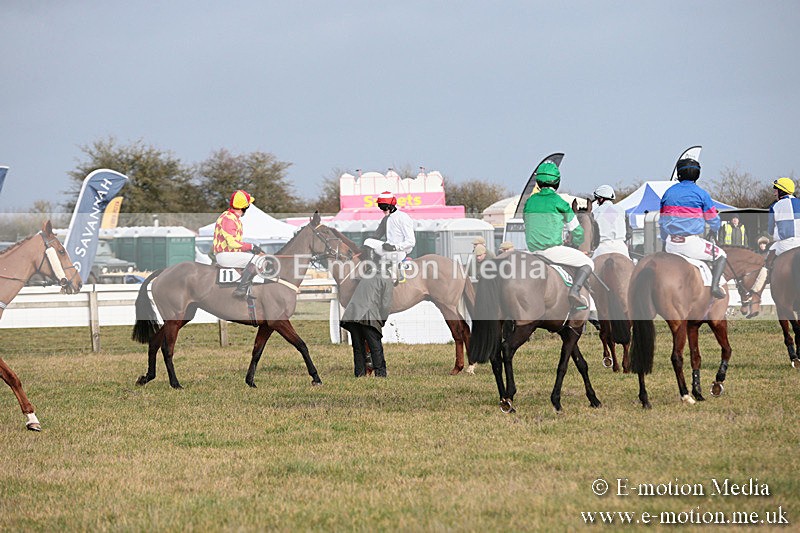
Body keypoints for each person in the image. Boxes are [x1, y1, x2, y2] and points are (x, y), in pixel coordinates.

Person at [523, 161, 594, 309]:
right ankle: (574, 292)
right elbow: (577, 231)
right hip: (552, 251)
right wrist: (577, 242)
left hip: (530, 251)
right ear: (557, 182)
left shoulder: (529, 202)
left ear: (538, 181)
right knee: (588, 263)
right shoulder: (559, 202)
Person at [659, 158, 726, 299]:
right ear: (697, 175)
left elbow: (662, 222)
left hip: (671, 245)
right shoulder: (701, 194)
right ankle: (714, 287)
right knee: (721, 255)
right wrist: (714, 231)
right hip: (691, 244)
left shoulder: (668, 193)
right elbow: (714, 220)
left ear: (679, 174)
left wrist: (665, 241)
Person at [340, 251, 393, 377]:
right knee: (375, 348)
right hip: (368, 316)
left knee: (358, 348)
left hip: (352, 315)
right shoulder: (387, 279)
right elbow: (386, 304)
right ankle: (381, 374)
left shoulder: (367, 276)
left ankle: (359, 374)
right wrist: (382, 321)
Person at [213, 190, 264, 298]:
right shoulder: (229, 219)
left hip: (228, 254)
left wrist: (250, 249)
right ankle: (241, 290)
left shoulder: (232, 217)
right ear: (244, 207)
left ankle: (246, 288)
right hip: (225, 255)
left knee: (255, 258)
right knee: (257, 260)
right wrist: (251, 246)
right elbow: (232, 243)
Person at [371, 191, 416, 283]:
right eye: (380, 207)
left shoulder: (403, 217)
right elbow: (375, 237)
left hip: (400, 252)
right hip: (387, 250)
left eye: (383, 207)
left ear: (391, 206)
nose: (382, 210)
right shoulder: (386, 219)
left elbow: (411, 241)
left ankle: (395, 277)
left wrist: (395, 247)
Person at [765, 177, 800, 269]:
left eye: (776, 190)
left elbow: (770, 231)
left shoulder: (774, 206)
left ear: (782, 191)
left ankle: (767, 281)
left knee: (766, 262)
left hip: (783, 245)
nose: (774, 193)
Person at [591, 184, 631, 259]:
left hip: (602, 247)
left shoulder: (595, 212)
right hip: (621, 247)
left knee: (591, 266)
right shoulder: (622, 211)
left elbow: (593, 234)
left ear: (601, 199)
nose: (597, 202)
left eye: (597, 199)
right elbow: (628, 232)